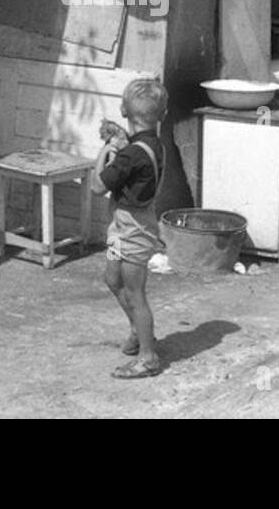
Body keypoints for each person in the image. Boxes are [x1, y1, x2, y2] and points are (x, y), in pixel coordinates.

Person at [91, 78, 169, 379]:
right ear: (162, 115)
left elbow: (98, 185)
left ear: (123, 109)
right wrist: (123, 144)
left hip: (133, 231)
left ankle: (148, 357)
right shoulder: (150, 145)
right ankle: (139, 330)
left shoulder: (129, 155)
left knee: (136, 293)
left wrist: (106, 150)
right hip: (122, 227)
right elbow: (136, 158)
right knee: (112, 277)